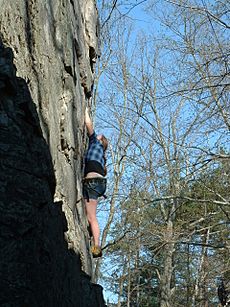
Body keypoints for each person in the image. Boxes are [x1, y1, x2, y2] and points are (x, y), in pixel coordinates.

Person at [83, 106, 108, 258]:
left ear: (101, 140)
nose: (98, 135)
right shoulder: (102, 156)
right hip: (99, 183)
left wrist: (85, 111)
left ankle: (97, 247)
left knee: (91, 217)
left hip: (92, 181)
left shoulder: (95, 143)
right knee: (91, 216)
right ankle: (95, 242)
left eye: (100, 135)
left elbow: (88, 125)